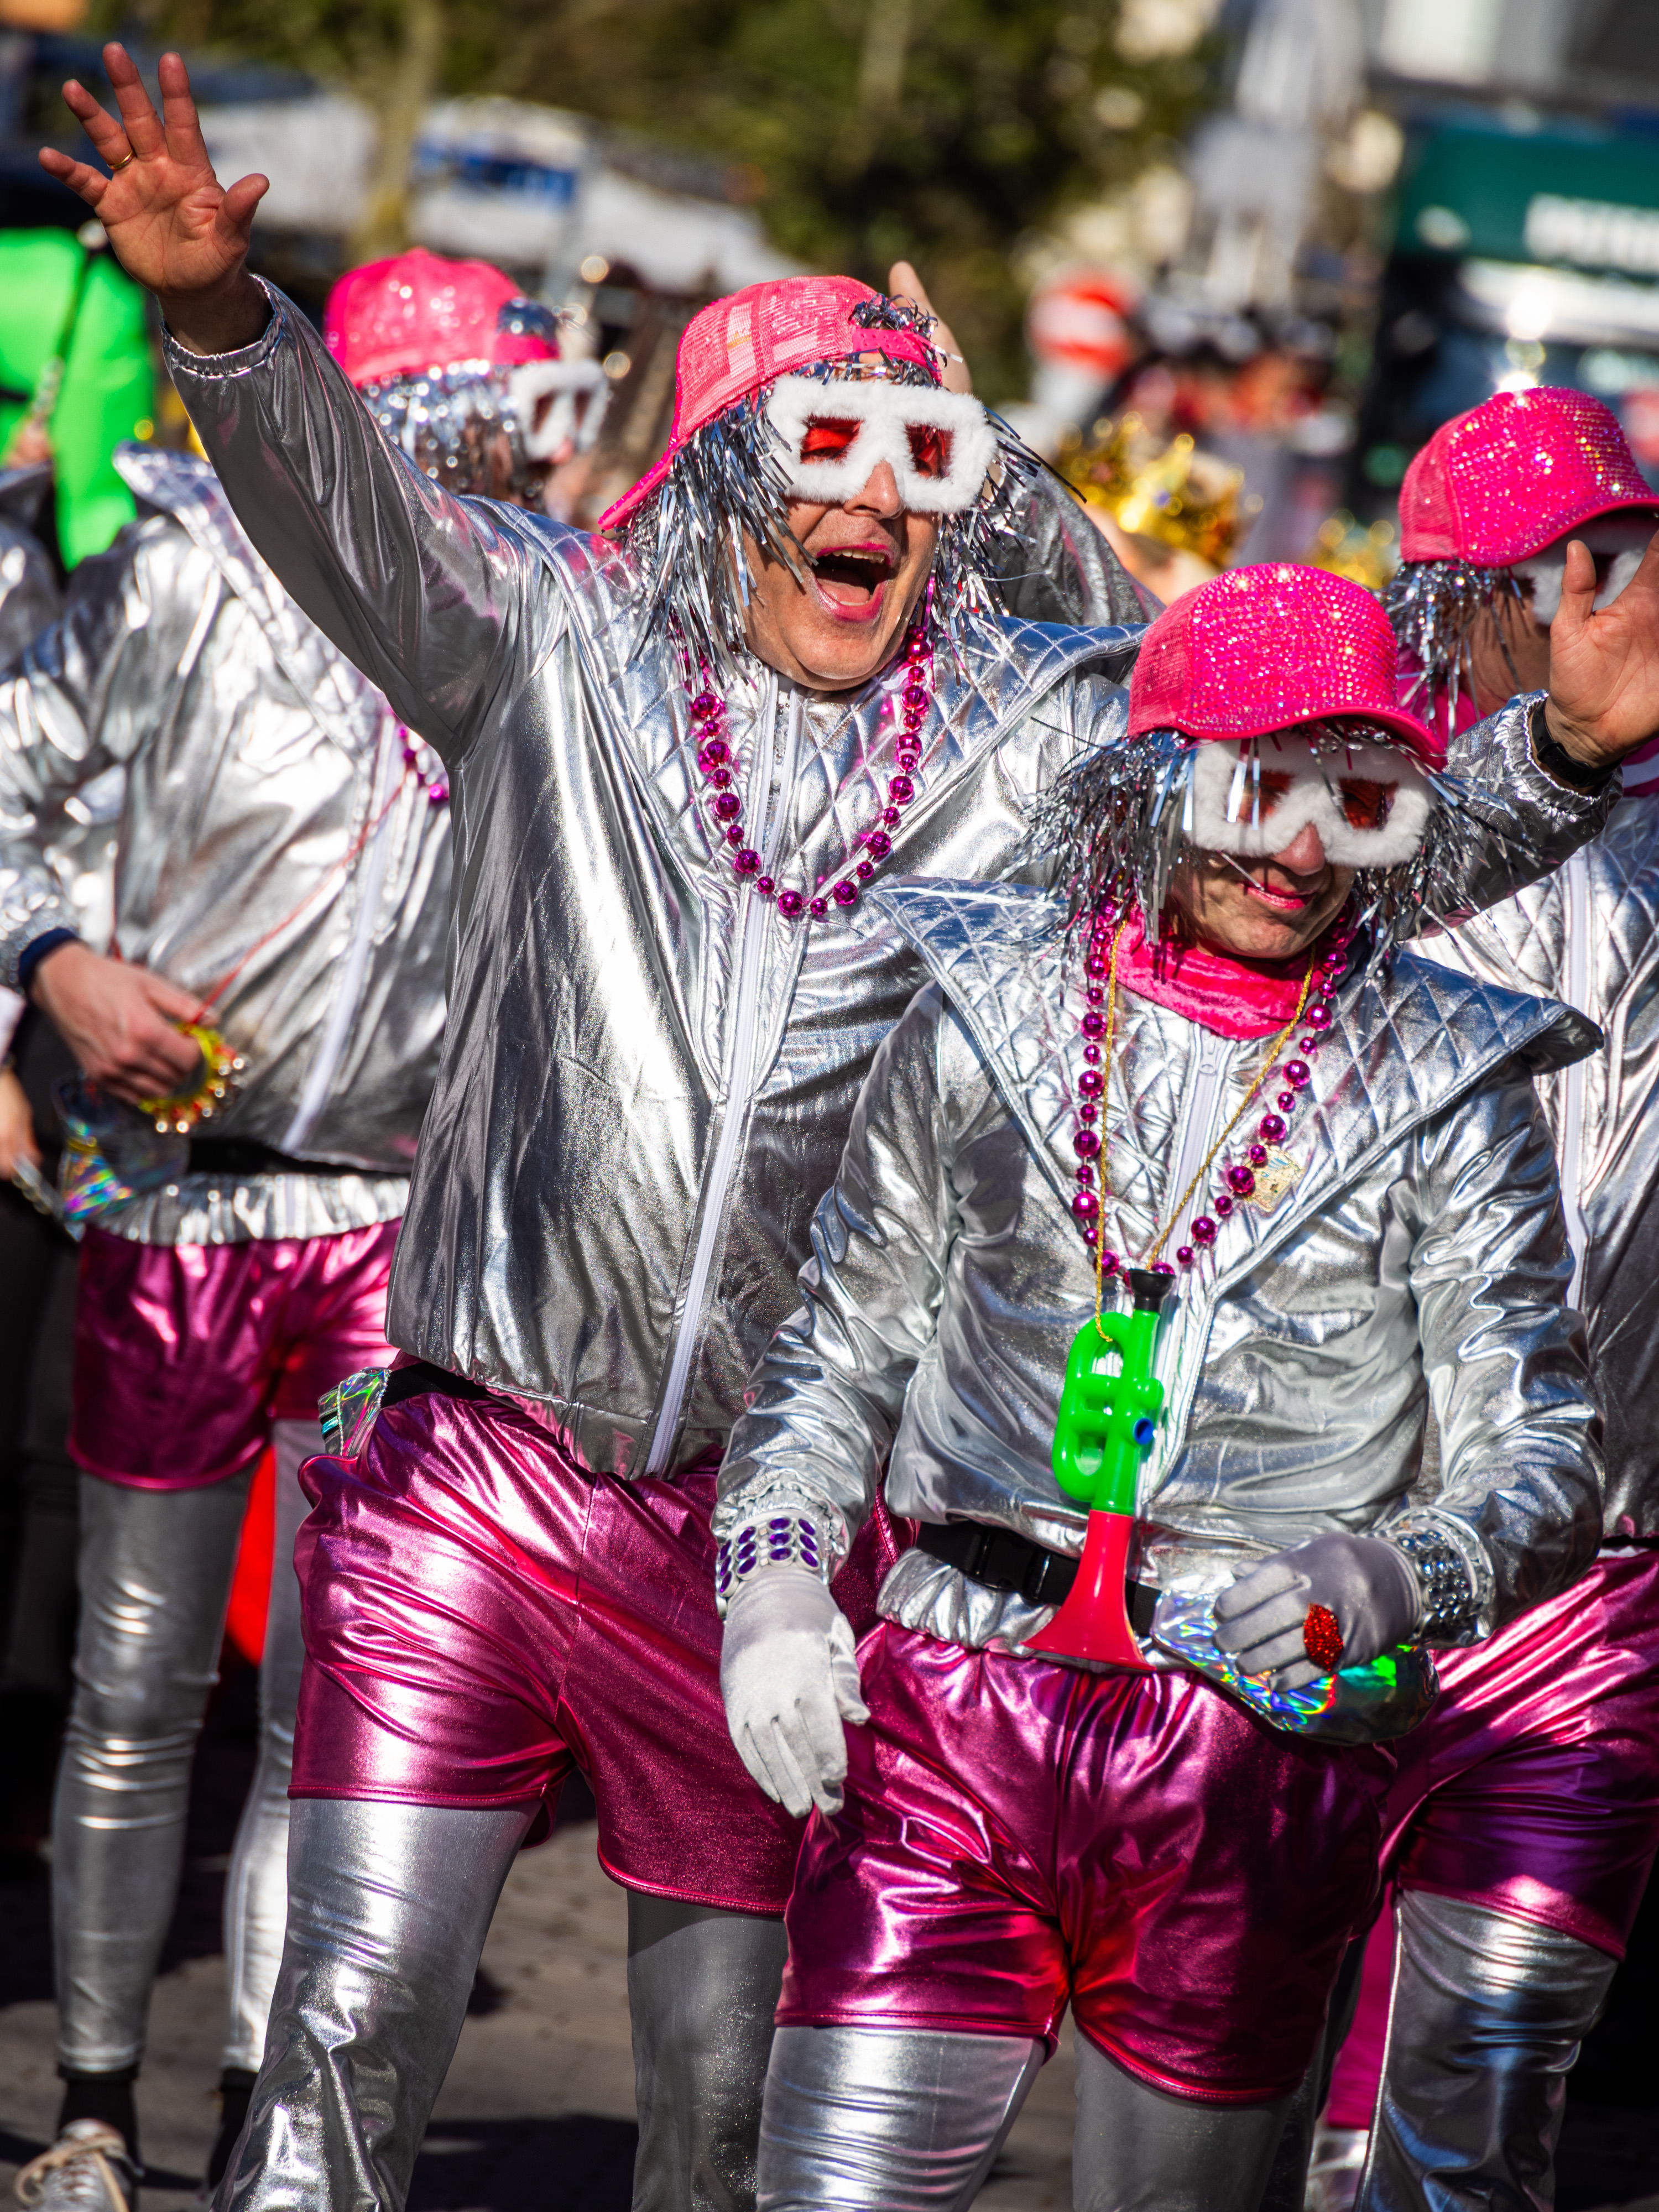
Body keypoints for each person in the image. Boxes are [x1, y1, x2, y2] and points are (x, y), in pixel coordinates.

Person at [36, 47, 1659, 2212]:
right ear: (724, 473)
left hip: (758, 1536)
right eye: (825, 447)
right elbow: (350, 507)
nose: (872, 506)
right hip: (478, 1465)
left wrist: (1557, 762)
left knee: (720, 2127)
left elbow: (1297, 815)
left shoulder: (1018, 741)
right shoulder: (554, 652)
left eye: (920, 464)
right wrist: (221, 322)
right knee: (347, 2033)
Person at [715, 562, 1603, 2212]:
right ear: (1152, 780)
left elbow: (1544, 1447)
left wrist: (1396, 1572)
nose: (1301, 855)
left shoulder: (1454, 1083)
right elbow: (834, 1349)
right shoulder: (983, 1013)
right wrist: (770, 1582)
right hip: (951, 1712)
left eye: (1363, 805)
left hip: (1256, 1748)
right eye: (1258, 789)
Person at [0, 245, 573, 2212]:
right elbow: (10, 775)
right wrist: (52, 961)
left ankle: (270, 2116)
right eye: (491, 410)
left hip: (395, 1229)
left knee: (331, 1707)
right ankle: (91, 2107)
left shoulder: (534, 608)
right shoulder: (178, 570)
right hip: (181, 1196)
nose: (521, 455)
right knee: (134, 1678)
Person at [1302, 388, 1659, 2212]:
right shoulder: (1351, 826)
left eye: (1632, 556)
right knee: (1254, 2094)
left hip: (1608, 1575)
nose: (1613, 603)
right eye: (1566, 571)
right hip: (1337, 1538)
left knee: (1474, 2121)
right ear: (1456, 598)